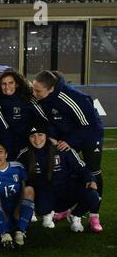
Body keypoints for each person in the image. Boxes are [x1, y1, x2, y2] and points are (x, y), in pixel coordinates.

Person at [32, 70, 104, 232]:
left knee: (93, 171)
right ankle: (66, 208)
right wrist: (52, 136)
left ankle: (94, 215)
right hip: (67, 134)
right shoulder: (41, 97)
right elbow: (48, 121)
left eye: (38, 91)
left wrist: (70, 141)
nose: (34, 93)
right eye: (33, 88)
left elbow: (89, 125)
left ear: (51, 89)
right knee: (67, 167)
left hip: (90, 135)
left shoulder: (72, 98)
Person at [17, 123, 100, 231]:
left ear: (47, 136)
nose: (37, 140)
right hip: (44, 194)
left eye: (40, 135)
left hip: (67, 190)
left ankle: (75, 215)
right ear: (28, 138)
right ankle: (47, 214)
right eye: (32, 136)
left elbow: (83, 169)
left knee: (93, 196)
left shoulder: (62, 148)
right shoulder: (25, 154)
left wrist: (90, 180)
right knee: (42, 208)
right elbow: (13, 171)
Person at [0, 69, 48, 160]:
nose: (7, 86)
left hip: (27, 141)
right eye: (4, 84)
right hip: (7, 142)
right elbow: (2, 127)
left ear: (17, 84)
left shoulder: (27, 98)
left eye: (10, 83)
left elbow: (43, 118)